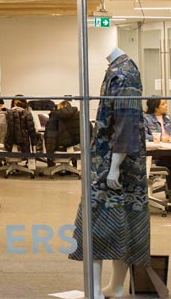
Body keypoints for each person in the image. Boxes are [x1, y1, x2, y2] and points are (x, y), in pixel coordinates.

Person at [70, 47, 150, 299]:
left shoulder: (124, 73)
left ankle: (98, 290)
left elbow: (126, 122)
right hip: (116, 162)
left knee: (99, 225)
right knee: (123, 222)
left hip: (114, 165)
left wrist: (114, 166)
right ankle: (113, 286)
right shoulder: (119, 70)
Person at [44, 100, 81, 167]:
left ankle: (55, 166)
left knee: (53, 139)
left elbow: (51, 136)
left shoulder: (55, 115)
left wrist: (49, 157)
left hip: (62, 143)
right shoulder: (79, 114)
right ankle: (74, 164)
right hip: (77, 142)